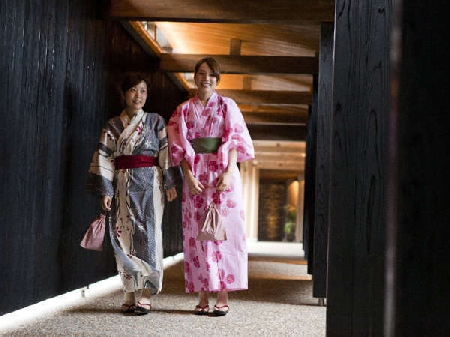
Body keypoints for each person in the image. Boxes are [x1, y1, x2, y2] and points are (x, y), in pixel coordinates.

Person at [167, 57, 255, 316]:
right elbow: (178, 148)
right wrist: (188, 176)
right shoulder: (183, 110)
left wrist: (230, 171)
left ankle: (223, 295)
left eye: (212, 75)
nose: (207, 78)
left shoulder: (228, 106)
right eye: (202, 73)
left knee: (224, 232)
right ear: (195, 76)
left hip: (222, 173)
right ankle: (202, 295)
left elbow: (236, 141)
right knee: (197, 234)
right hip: (195, 174)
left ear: (217, 79)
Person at [87, 72, 178, 315]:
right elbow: (104, 157)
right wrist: (105, 190)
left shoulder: (156, 121)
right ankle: (129, 292)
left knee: (148, 236)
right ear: (124, 93)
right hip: (122, 184)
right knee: (123, 236)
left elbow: (165, 152)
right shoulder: (113, 125)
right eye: (133, 90)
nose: (138, 96)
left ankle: (145, 293)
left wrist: (169, 183)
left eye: (143, 91)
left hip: (150, 182)